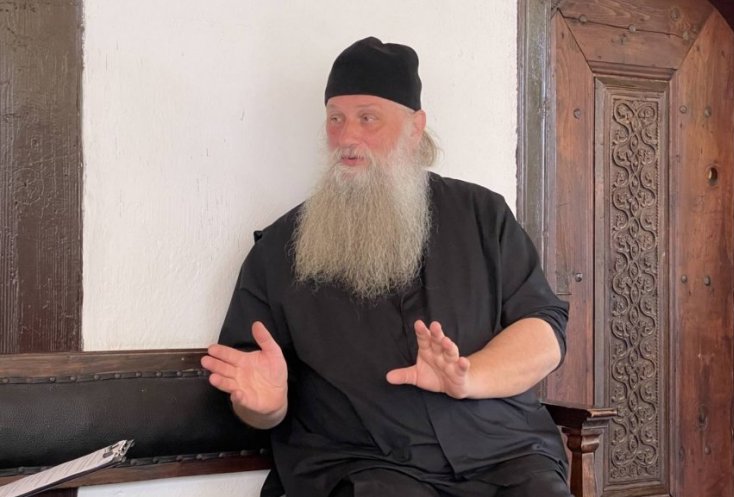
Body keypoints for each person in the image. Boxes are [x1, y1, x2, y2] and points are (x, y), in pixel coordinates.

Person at [201, 37, 571, 497]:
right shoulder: (280, 250)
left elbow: (543, 329)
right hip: (367, 466)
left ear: (415, 128)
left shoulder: (482, 215)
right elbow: (249, 386)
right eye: (335, 119)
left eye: (367, 118)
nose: (347, 138)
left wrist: (468, 376)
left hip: (504, 455)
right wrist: (265, 408)